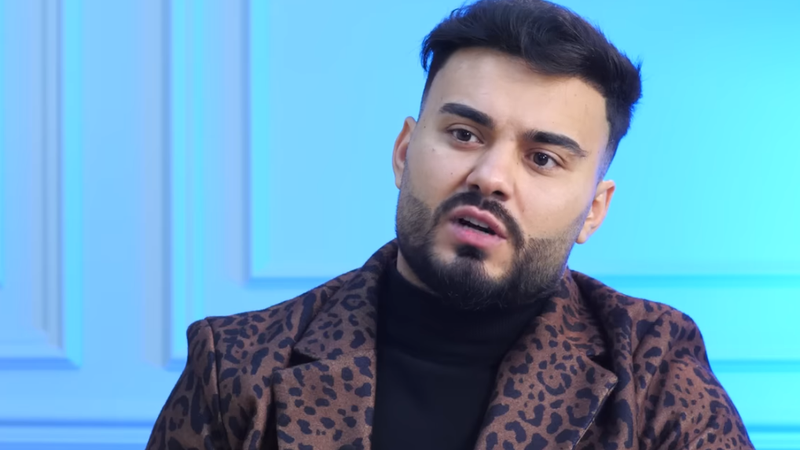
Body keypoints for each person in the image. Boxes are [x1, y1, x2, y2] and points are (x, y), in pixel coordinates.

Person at [146, 0, 754, 449]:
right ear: (403, 152)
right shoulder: (236, 366)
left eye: (542, 158)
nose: (490, 177)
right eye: (464, 134)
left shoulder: (653, 366)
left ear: (593, 210)